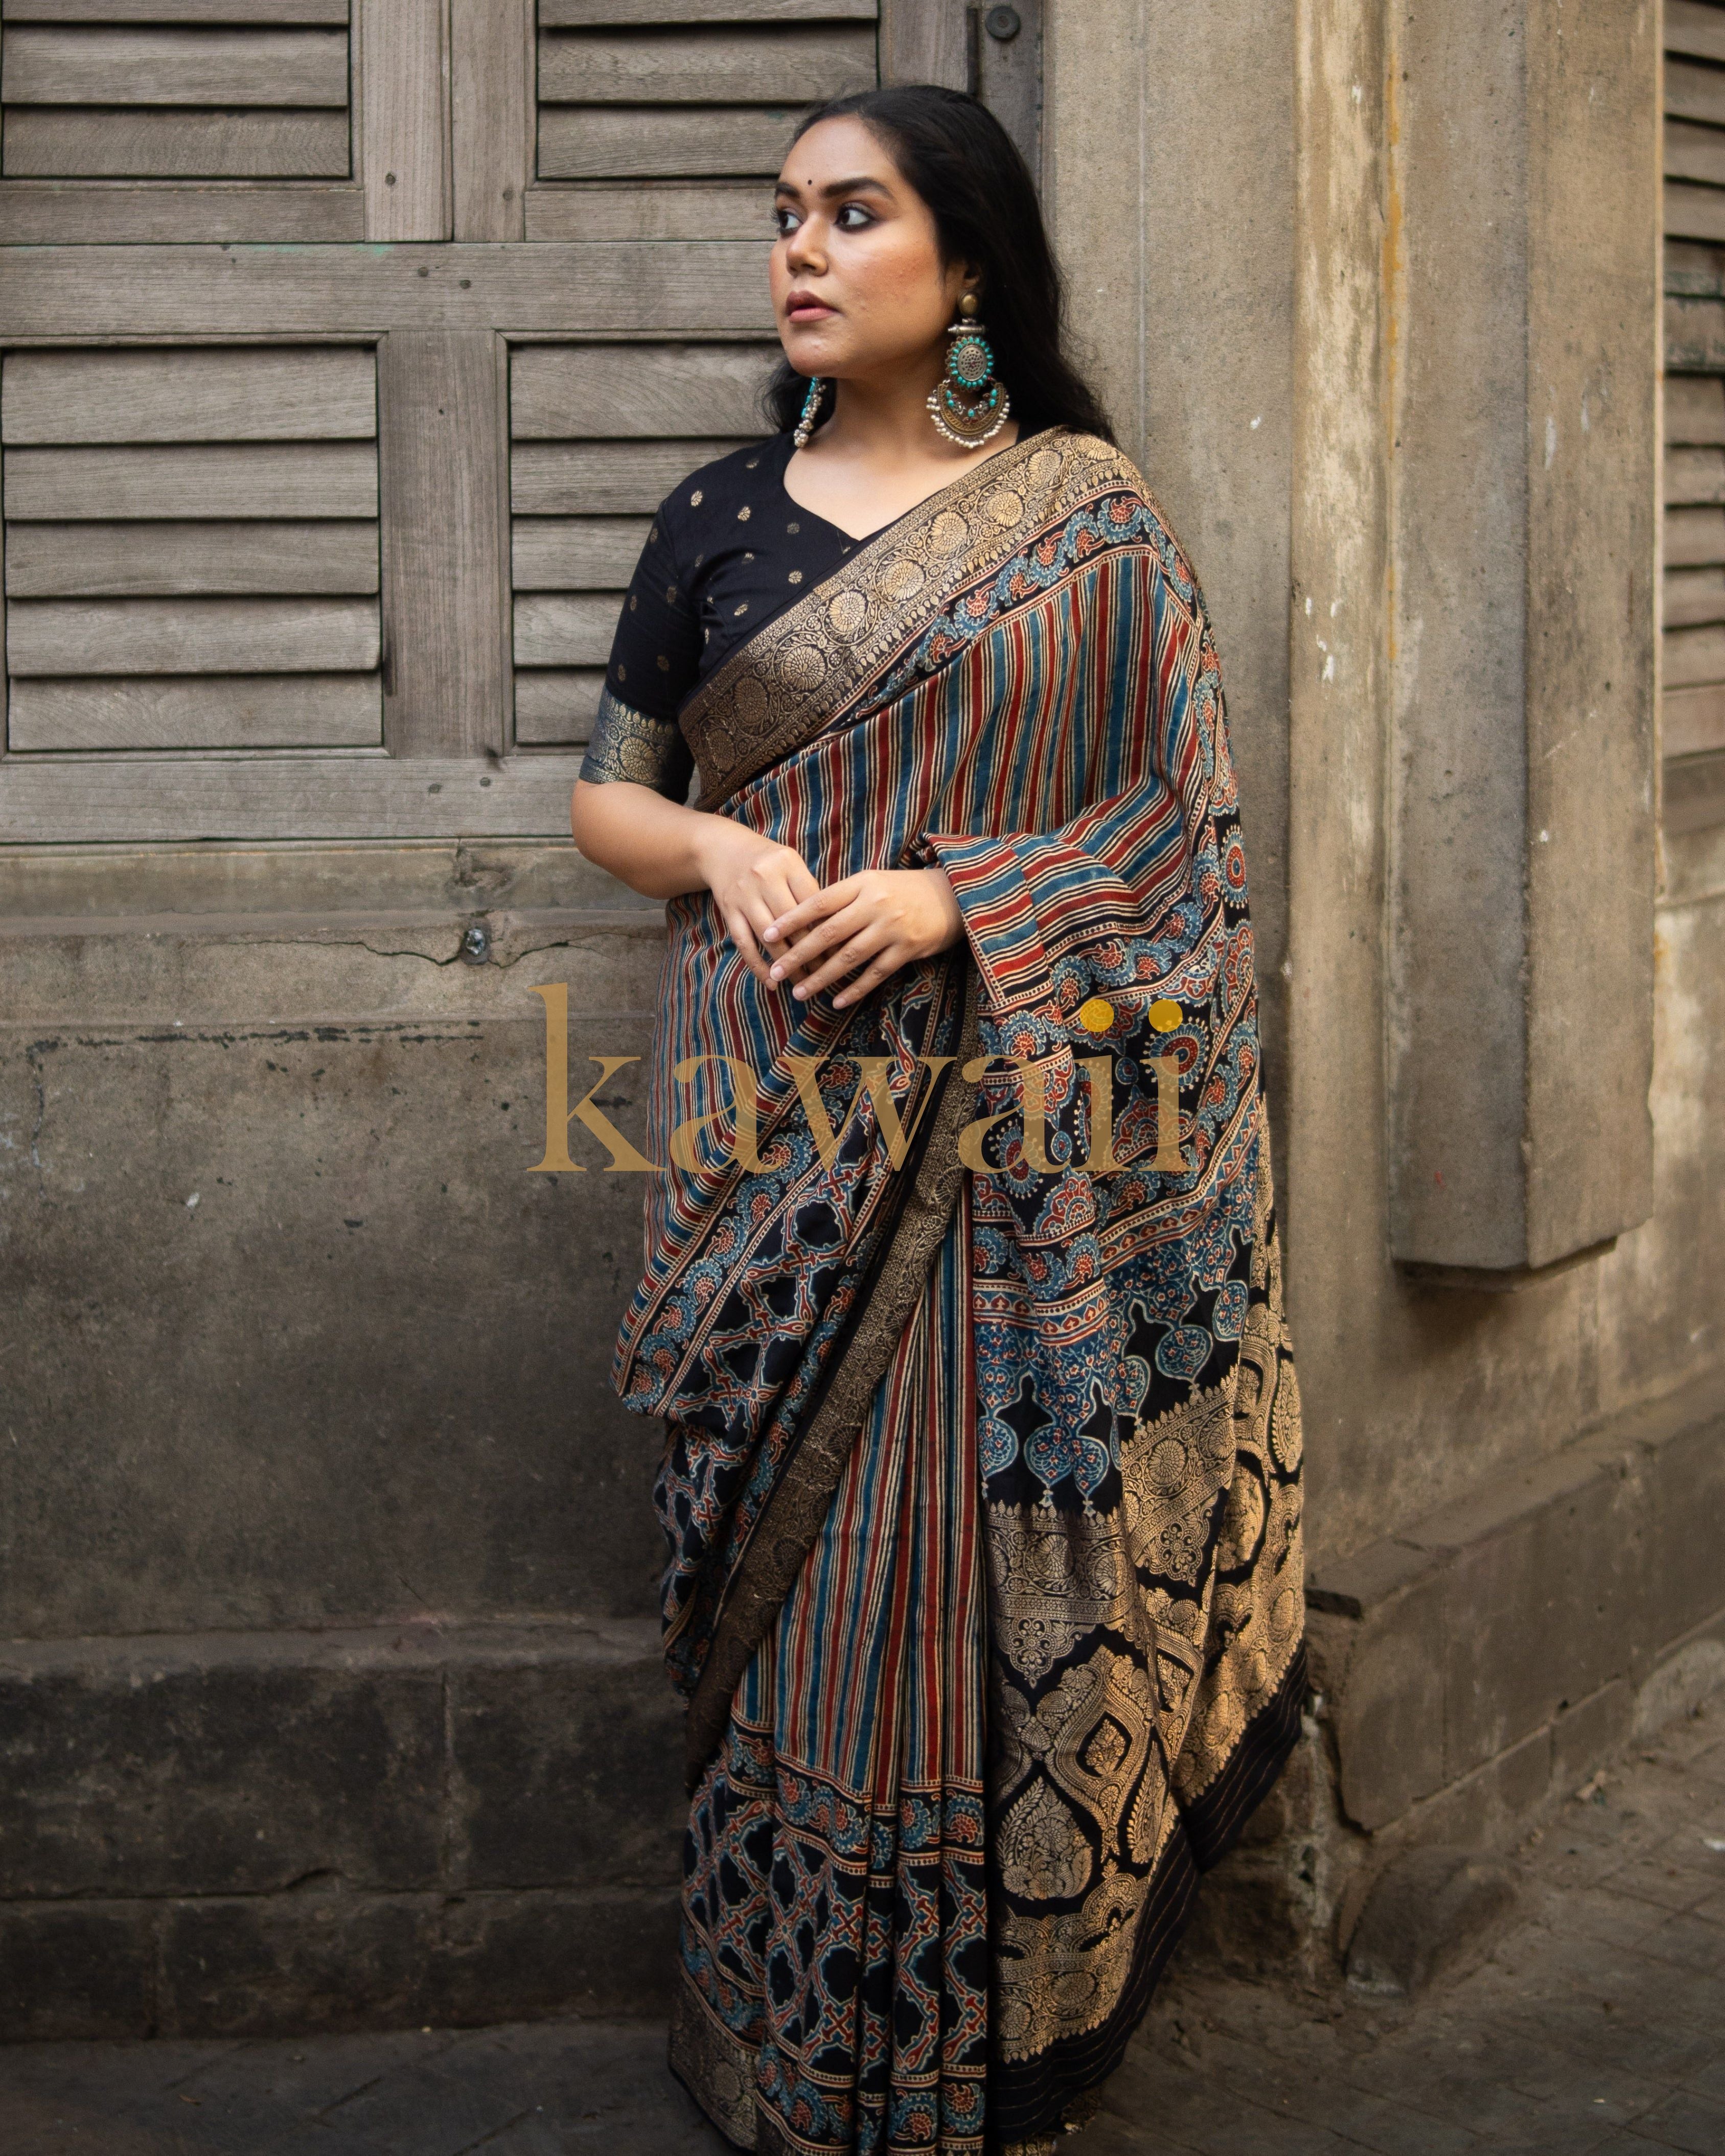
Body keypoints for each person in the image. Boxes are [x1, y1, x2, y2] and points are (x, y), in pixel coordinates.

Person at [570, 83, 1305, 2156]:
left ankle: (982, 2056)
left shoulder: (1090, 520)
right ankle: (782, 2046)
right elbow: (604, 789)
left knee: (977, 1585)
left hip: (1013, 1170)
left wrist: (966, 894)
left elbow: (1177, 835)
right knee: (785, 1597)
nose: (798, 248)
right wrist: (711, 857)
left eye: (852, 213)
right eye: (782, 214)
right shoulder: (717, 516)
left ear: (964, 263)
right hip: (758, 1143)